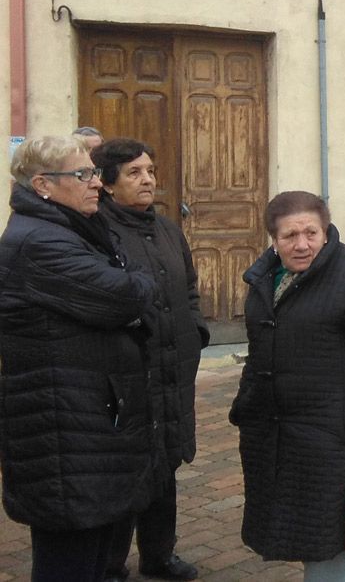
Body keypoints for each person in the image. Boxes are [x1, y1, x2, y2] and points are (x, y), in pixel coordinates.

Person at [230, 191, 345, 580]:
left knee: (331, 540)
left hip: (329, 439)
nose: (301, 244)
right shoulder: (265, 278)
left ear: (326, 232)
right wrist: (245, 405)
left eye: (311, 233)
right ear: (273, 240)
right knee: (298, 530)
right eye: (289, 236)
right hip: (272, 435)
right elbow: (261, 348)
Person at [0, 135, 158, 582]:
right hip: (62, 428)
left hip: (87, 417)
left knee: (96, 555)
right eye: (83, 174)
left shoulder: (70, 227)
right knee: (69, 560)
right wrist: (136, 281)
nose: (96, 184)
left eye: (93, 172)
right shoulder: (40, 242)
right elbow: (128, 293)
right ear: (43, 184)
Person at [93, 139, 209, 582]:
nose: (147, 180)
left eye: (150, 170)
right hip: (130, 372)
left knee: (165, 464)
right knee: (128, 471)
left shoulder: (166, 229)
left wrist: (195, 332)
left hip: (172, 366)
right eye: (134, 173)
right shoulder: (97, 231)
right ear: (107, 184)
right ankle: (110, 564)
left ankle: (159, 555)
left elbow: (190, 287)